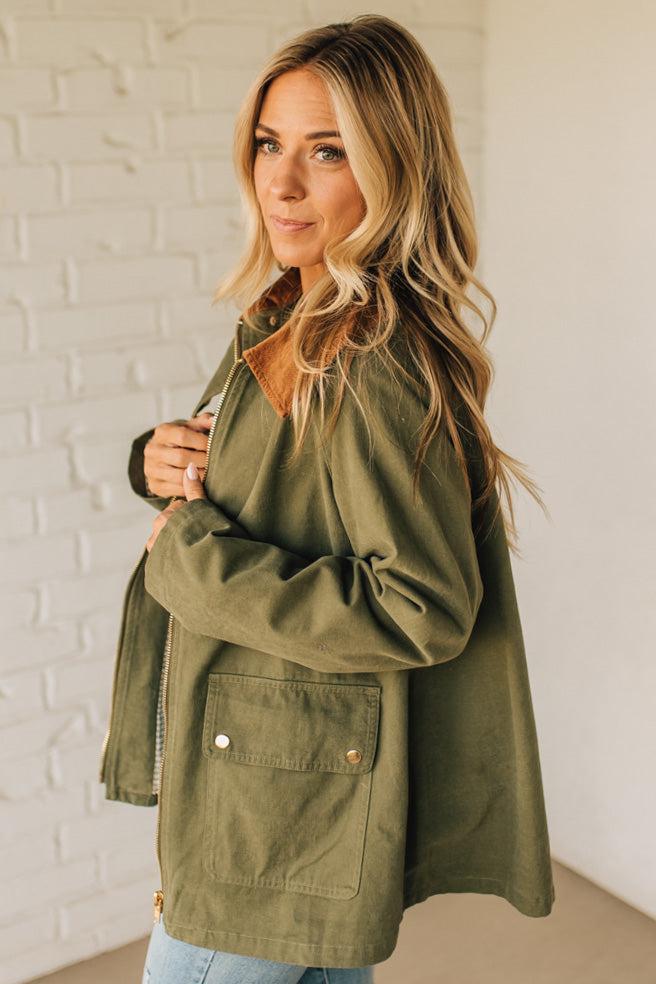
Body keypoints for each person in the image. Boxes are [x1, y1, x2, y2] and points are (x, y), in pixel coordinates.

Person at [99, 15, 555, 983]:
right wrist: (162, 456)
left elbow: (422, 604)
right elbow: (279, 488)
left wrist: (191, 561)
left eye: (326, 152)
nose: (281, 181)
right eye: (270, 144)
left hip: (272, 823)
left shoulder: (364, 355)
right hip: (287, 794)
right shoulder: (295, 313)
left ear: (393, 168)